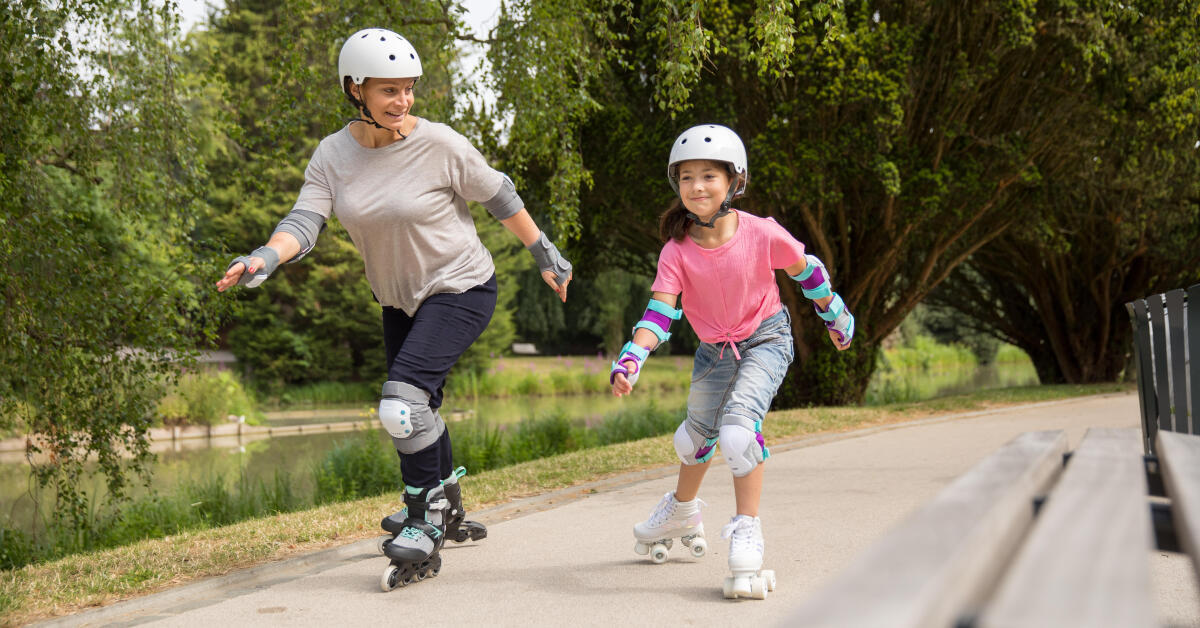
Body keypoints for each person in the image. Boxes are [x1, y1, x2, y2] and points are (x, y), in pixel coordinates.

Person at [216, 28, 573, 588]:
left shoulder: (441, 145)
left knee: (401, 405)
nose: (402, 101)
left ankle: (421, 521)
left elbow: (499, 193)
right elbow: (305, 220)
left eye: (408, 89)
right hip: (399, 300)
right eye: (389, 90)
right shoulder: (333, 156)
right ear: (355, 89)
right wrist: (265, 257)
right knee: (421, 402)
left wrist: (543, 251)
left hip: (462, 287)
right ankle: (447, 502)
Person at [610, 124, 853, 599]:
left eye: (708, 176)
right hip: (713, 352)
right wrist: (632, 357)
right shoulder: (676, 251)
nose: (696, 187)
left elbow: (809, 271)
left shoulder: (761, 233)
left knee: (739, 433)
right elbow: (660, 311)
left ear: (733, 181)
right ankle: (682, 510)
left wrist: (835, 314)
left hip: (767, 339)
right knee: (692, 440)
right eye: (685, 178)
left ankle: (747, 530)